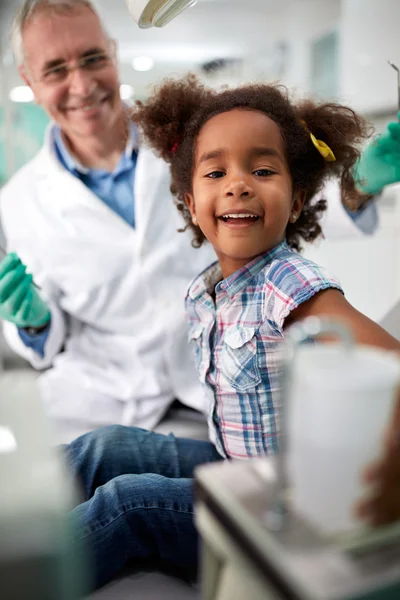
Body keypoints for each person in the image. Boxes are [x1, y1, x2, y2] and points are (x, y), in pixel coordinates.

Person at [63, 77, 400, 590]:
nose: (238, 183)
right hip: (230, 460)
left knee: (128, 504)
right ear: (191, 204)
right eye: (216, 171)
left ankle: (23, 569)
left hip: (274, 500)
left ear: (295, 201)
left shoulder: (289, 283)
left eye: (262, 170)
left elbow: (389, 366)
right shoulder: (209, 288)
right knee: (104, 445)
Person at [0, 0, 216, 441]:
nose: (81, 85)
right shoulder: (17, 201)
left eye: (93, 59)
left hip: (214, 381)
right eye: (56, 70)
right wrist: (35, 321)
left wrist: (358, 183)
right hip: (100, 398)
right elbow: (49, 338)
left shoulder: (191, 139)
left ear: (114, 53)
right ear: (30, 82)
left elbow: (280, 205)